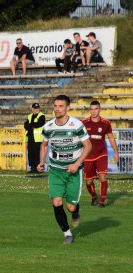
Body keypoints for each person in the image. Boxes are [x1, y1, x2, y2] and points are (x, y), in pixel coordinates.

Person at [37, 95, 92, 244]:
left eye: (61, 106)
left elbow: (88, 146)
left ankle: (75, 212)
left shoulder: (76, 125)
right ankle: (67, 234)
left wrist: (76, 164)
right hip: (55, 170)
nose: (57, 109)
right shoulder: (48, 127)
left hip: (73, 171)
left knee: (71, 206)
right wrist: (41, 162)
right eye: (55, 106)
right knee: (56, 202)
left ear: (68, 108)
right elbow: (44, 145)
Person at [82, 100, 119, 208]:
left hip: (101, 154)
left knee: (103, 177)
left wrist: (116, 153)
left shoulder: (105, 123)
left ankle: (102, 201)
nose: (94, 111)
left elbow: (111, 138)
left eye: (96, 109)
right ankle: (94, 196)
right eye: (92, 109)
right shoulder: (84, 123)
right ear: (90, 110)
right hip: (88, 155)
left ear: (99, 109)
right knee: (88, 182)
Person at [23, 103, 45, 173]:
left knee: (37, 153)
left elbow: (38, 124)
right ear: (32, 109)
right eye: (35, 108)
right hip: (30, 137)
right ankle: (32, 168)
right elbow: (25, 125)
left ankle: (39, 168)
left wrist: (30, 125)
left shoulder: (42, 116)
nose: (36, 109)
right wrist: (31, 125)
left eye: (38, 108)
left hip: (38, 138)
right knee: (31, 153)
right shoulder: (29, 116)